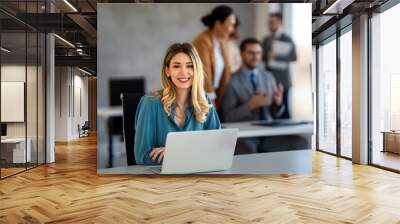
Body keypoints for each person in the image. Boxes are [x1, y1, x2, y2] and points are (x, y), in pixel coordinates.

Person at [134, 43, 221, 165]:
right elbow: (142, 156)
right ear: (167, 71)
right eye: (176, 66)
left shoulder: (203, 101)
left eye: (190, 66)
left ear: (196, 70)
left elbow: (218, 146)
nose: (183, 72)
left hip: (198, 174)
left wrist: (175, 152)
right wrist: (195, 152)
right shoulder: (150, 103)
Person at [221, 38, 308, 154]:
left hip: (268, 133)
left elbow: (275, 114)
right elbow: (227, 117)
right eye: (251, 53)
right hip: (245, 135)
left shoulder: (268, 77)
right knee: (249, 150)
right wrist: (250, 105)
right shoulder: (232, 81)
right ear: (241, 54)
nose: (255, 56)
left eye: (258, 53)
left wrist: (278, 103)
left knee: (300, 142)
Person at [192, 5, 237, 110]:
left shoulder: (220, 42)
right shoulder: (202, 41)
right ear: (218, 24)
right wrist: (211, 100)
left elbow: (227, 70)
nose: (232, 30)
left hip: (215, 96)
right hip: (203, 97)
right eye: (230, 25)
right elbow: (204, 74)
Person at [261, 13, 297, 119]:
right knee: (271, 108)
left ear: (280, 22)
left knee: (284, 108)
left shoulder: (287, 39)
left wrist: (277, 56)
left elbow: (294, 57)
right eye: (269, 22)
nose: (270, 24)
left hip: (283, 80)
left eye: (272, 22)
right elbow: (261, 57)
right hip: (268, 79)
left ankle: (287, 134)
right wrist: (267, 55)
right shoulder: (266, 39)